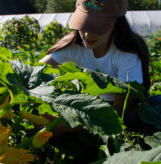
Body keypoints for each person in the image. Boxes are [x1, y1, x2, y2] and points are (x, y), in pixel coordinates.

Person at [39, 0, 150, 131]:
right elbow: (36, 71)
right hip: (85, 108)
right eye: (84, 24)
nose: (87, 34)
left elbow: (118, 113)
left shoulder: (126, 54)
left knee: (138, 117)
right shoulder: (74, 45)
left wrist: (70, 125)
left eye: (96, 27)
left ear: (115, 24)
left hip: (112, 113)